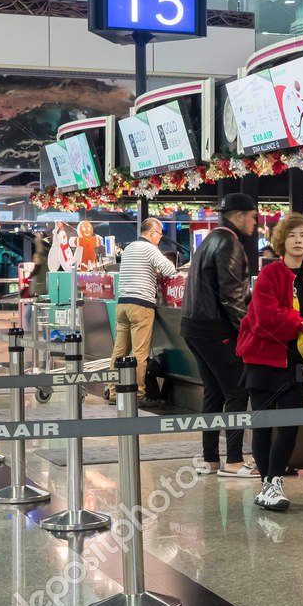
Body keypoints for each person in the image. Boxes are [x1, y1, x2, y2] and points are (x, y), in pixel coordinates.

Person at [236, 213, 303, 512]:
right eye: (293, 235)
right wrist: (300, 322)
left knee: (290, 424)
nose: (298, 240)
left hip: (297, 360)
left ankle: (274, 481)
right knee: (263, 425)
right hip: (263, 358)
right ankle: (268, 484)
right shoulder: (270, 274)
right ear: (282, 240)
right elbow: (263, 317)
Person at [181, 193, 259, 476]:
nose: (255, 223)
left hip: (194, 327)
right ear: (238, 215)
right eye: (252, 217)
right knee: (236, 390)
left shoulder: (211, 239)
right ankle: (234, 460)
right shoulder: (229, 243)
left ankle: (210, 458)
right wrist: (246, 332)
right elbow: (231, 296)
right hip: (216, 329)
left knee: (213, 393)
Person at [112, 216, 178, 411]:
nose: (160, 238)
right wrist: (159, 268)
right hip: (140, 306)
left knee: (119, 351)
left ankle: (113, 391)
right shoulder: (150, 249)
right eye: (160, 234)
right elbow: (170, 270)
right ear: (151, 233)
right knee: (140, 354)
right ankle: (139, 394)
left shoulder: (130, 248)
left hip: (122, 305)